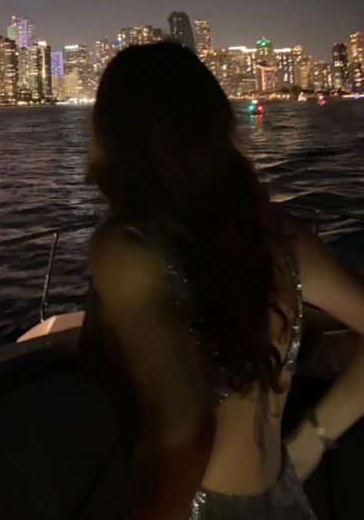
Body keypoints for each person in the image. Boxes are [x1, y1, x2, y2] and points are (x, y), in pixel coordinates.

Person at [81, 42, 364, 520]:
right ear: (217, 126)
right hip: (286, 502)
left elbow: (185, 431)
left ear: (113, 134)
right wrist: (311, 441)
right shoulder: (278, 234)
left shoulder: (125, 248)